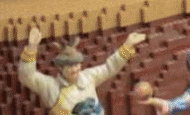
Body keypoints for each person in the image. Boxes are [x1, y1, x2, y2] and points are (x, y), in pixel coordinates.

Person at [18, 26, 146, 115]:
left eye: (77, 65)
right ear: (61, 68)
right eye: (70, 66)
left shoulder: (88, 77)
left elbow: (109, 67)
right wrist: (31, 48)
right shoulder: (51, 87)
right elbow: (27, 76)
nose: (75, 69)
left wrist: (127, 45)